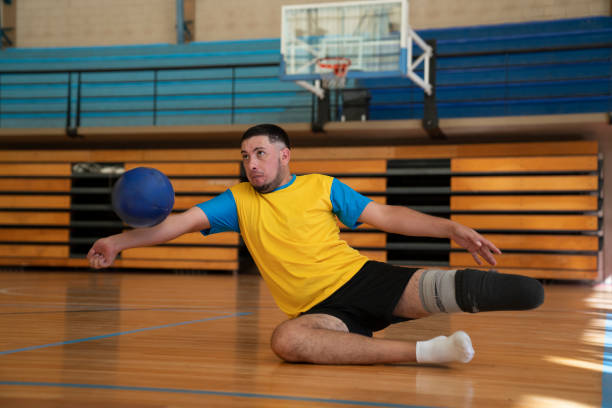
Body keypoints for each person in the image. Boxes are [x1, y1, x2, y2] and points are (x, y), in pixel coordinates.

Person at [88, 123, 544, 365]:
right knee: (286, 341)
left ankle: (479, 293)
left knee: (503, 292)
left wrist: (452, 228)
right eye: (245, 156)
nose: (251, 163)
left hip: (359, 278)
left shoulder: (322, 187)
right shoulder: (237, 201)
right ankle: (429, 353)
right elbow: (176, 224)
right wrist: (116, 242)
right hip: (321, 312)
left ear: (284, 155)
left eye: (260, 153)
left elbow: (387, 216)